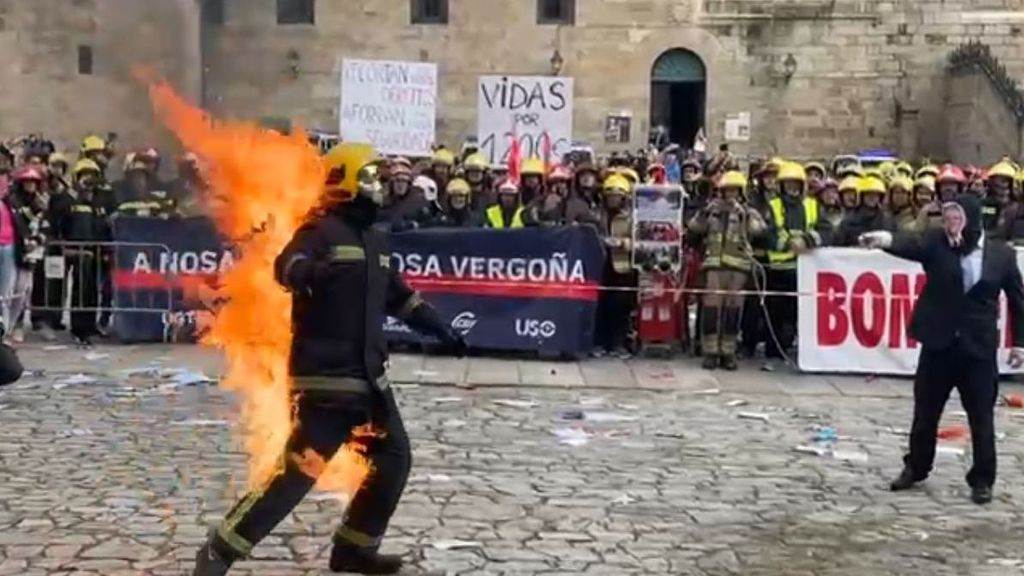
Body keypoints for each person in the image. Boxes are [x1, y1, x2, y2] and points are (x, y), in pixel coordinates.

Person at [192, 143, 468, 576]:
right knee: (297, 475)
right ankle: (220, 550)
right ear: (345, 182)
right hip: (326, 383)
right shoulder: (318, 231)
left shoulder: (375, 241)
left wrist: (441, 329)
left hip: (370, 383)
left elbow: (400, 298)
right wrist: (315, 274)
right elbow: (287, 267)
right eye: (369, 178)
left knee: (394, 460)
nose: (377, 187)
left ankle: (353, 550)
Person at [860, 195, 1024, 505]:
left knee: (981, 417)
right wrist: (884, 240)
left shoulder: (1001, 255)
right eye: (947, 218)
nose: (950, 224)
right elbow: (912, 244)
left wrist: (1020, 343)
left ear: (972, 221)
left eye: (956, 218)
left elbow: (1018, 301)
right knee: (925, 413)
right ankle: (917, 467)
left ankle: (982, 479)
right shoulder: (937, 243)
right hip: (939, 344)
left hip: (978, 349)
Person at [687, 171, 765, 370]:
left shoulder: (748, 211)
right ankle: (710, 352)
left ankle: (728, 352)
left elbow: (759, 230)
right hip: (713, 264)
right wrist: (706, 213)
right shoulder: (710, 210)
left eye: (734, 191)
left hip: (738, 267)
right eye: (727, 191)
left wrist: (742, 214)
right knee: (712, 308)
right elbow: (694, 229)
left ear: (741, 192)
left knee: (733, 308)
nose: (731, 195)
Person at [764, 162, 823, 364]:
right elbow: (770, 233)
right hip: (778, 269)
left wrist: (807, 240)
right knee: (775, 313)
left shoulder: (812, 205)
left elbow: (825, 230)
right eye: (787, 184)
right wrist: (790, 243)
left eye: (795, 184)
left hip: (804, 269)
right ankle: (774, 350)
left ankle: (793, 349)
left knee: (798, 314)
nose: (792, 188)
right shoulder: (773, 206)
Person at [49, 159, 109, 346]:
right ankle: (79, 329)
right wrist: (64, 249)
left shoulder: (97, 205)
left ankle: (90, 327)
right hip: (74, 252)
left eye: (92, 176)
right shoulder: (66, 200)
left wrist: (105, 249)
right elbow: (57, 226)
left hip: (94, 253)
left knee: (92, 293)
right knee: (79, 292)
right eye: (85, 175)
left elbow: (103, 229)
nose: (88, 180)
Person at [595, 174, 635, 358]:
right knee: (601, 306)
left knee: (621, 307)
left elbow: (641, 242)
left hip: (622, 267)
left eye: (617, 196)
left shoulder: (631, 218)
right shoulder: (597, 215)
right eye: (609, 196)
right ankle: (600, 343)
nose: (613, 199)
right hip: (602, 266)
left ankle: (618, 344)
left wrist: (623, 243)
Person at [7, 167, 46, 342]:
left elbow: (45, 226)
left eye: (33, 182)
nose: (30, 185)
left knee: (24, 292)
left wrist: (37, 240)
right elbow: (16, 225)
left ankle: (15, 324)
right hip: (14, 251)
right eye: (27, 182)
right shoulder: (13, 202)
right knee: (10, 291)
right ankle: (9, 326)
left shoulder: (41, 202)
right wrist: (25, 241)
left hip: (32, 254)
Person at [833, 176, 893, 247]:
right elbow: (838, 246)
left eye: (875, 194)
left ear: (880, 197)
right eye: (868, 194)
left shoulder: (887, 221)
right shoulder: (848, 221)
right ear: (861, 196)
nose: (872, 197)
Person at [983, 160, 1016, 233]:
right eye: (1001, 180)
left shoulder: (1016, 205)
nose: (1004, 184)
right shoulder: (985, 203)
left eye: (1006, 180)